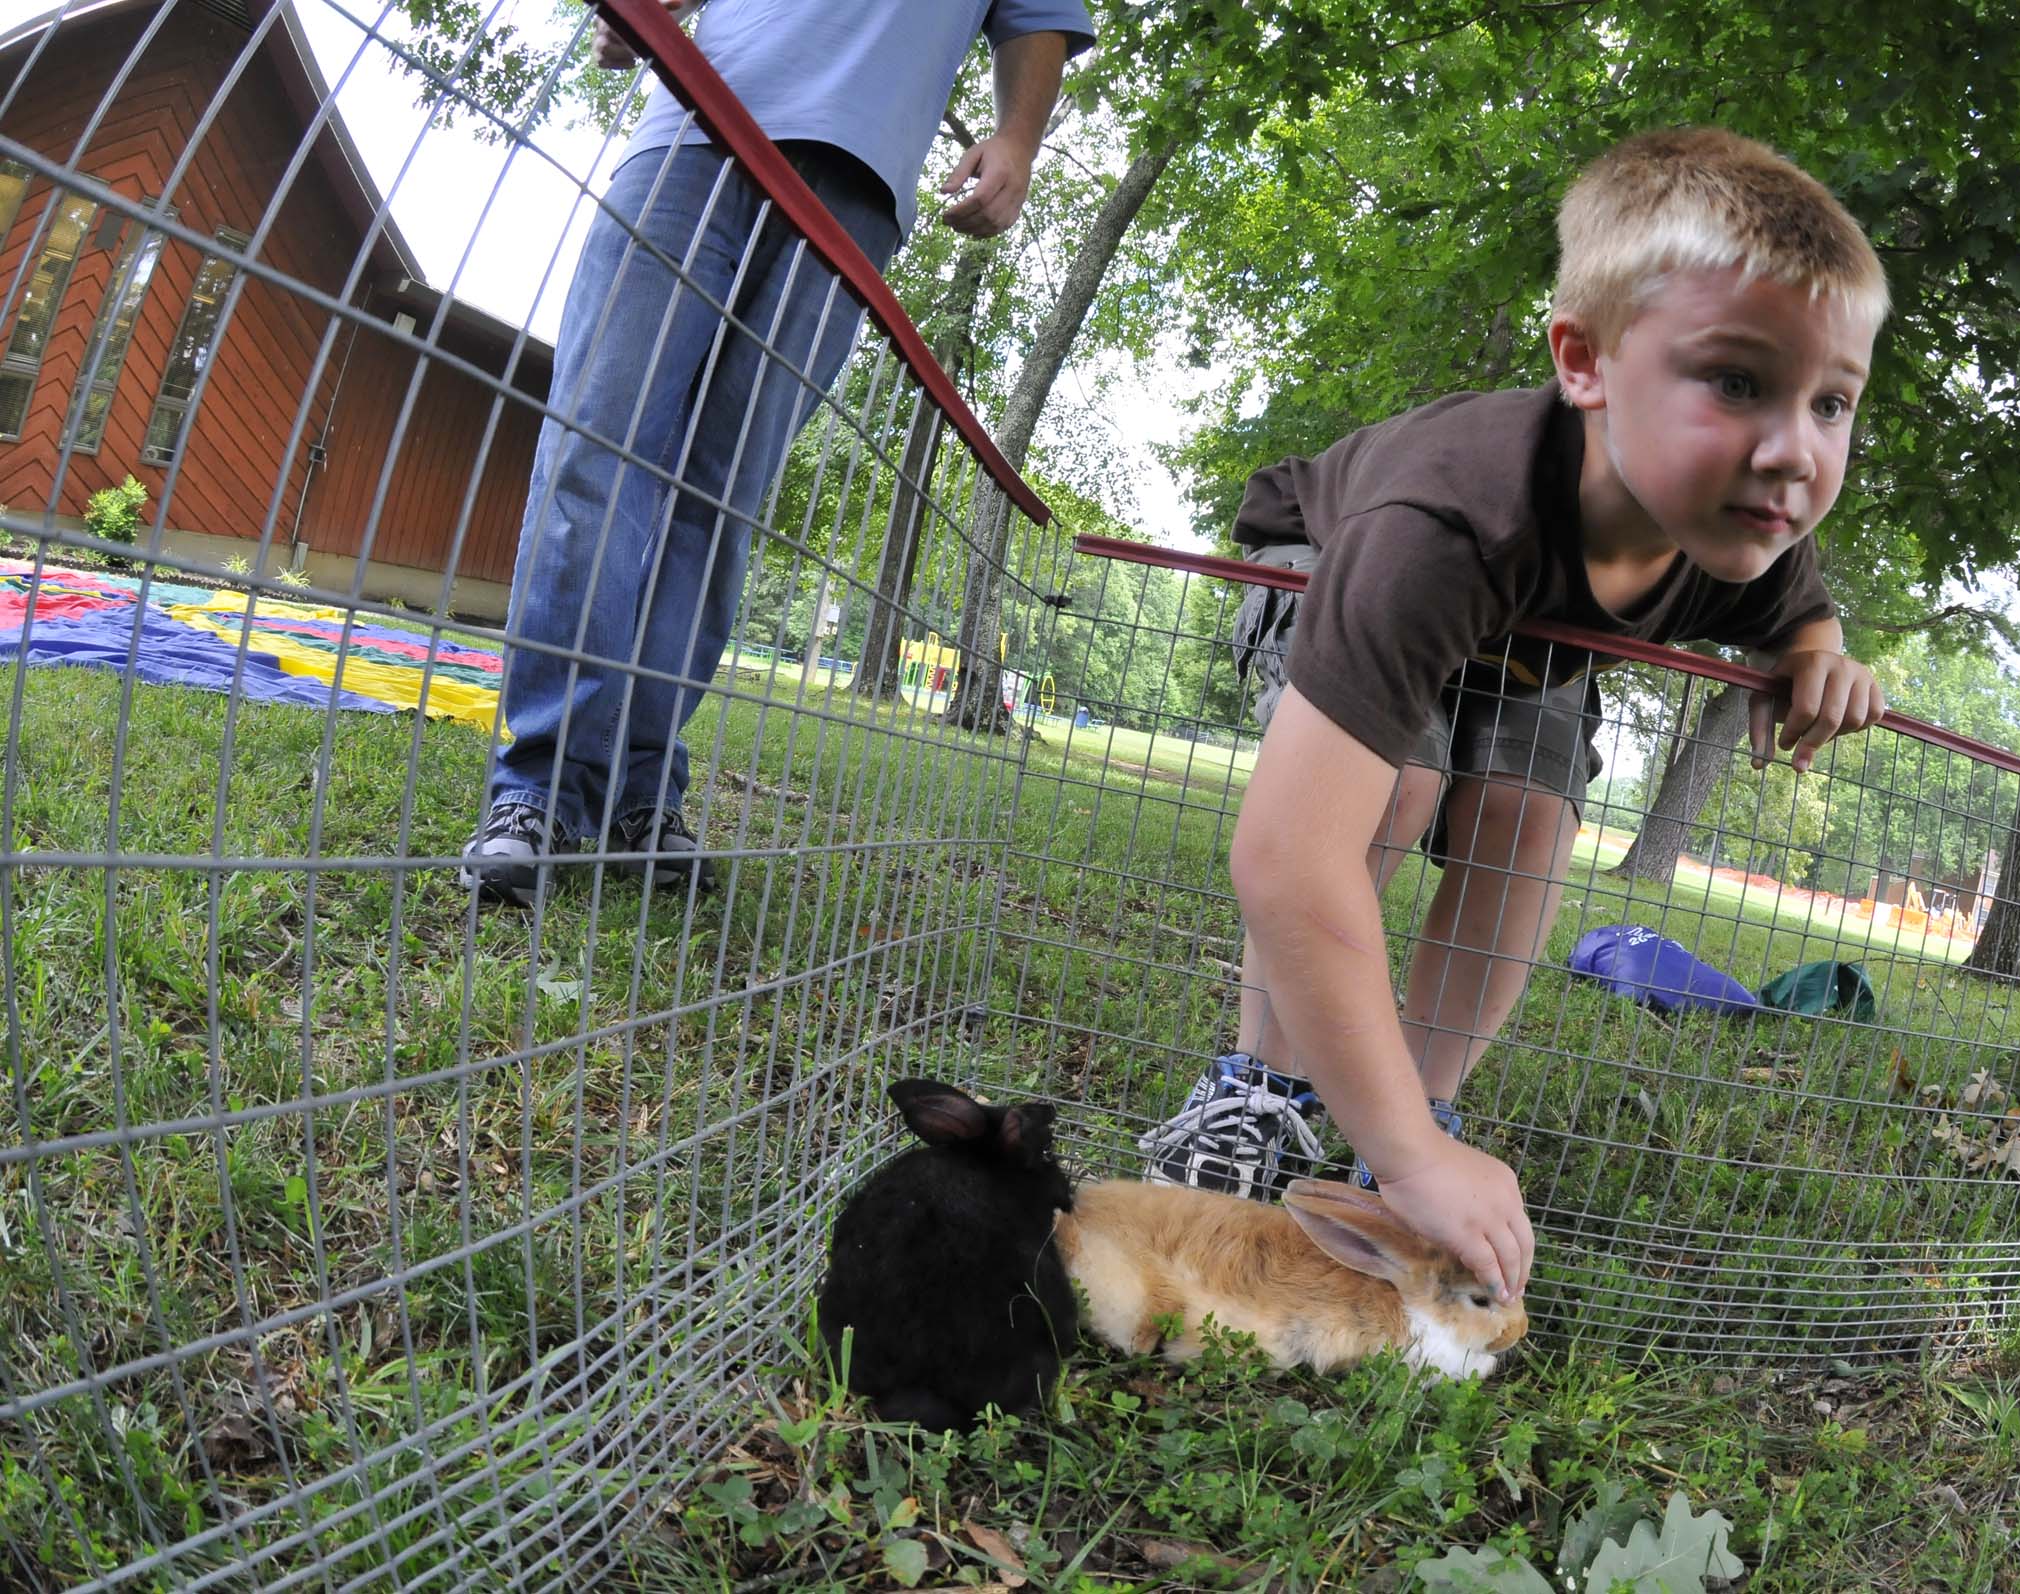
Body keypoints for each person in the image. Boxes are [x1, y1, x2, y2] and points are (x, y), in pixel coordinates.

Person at [1137, 128, 1891, 1306]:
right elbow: (1287, 859)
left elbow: (1805, 615)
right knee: (1393, 789)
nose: (1795, 452)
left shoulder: (1742, 534)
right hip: (1339, 561)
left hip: (1532, 645)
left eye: (1833, 401)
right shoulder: (1440, 523)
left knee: (1528, 820)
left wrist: (1823, 658)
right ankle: (1260, 1089)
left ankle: (1419, 1106)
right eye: (1738, 382)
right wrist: (1417, 1160)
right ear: (1584, 361)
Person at [462, 0, 1093, 906]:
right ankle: (540, 789)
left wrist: (1018, 139)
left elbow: (1036, 15)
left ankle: (640, 794)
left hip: (855, 192)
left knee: (720, 499)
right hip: (693, 127)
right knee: (595, 452)